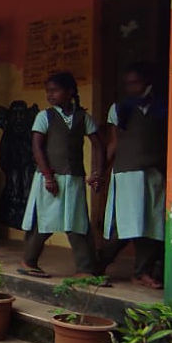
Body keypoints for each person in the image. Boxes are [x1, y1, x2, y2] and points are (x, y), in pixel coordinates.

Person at [19, 72, 105, 279]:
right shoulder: (44, 116)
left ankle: (85, 268)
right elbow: (37, 147)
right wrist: (48, 176)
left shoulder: (83, 117)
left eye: (55, 90)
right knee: (45, 220)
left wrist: (98, 172)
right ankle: (28, 260)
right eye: (48, 91)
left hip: (74, 177)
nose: (50, 95)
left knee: (78, 222)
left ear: (70, 92)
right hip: (50, 178)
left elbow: (98, 145)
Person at [98, 62, 166, 289]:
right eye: (127, 83)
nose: (130, 87)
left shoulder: (161, 106)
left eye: (134, 82)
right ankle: (97, 264)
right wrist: (101, 171)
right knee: (128, 224)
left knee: (153, 223)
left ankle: (142, 271)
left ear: (147, 81)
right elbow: (113, 143)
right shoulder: (119, 108)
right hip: (128, 173)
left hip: (153, 171)